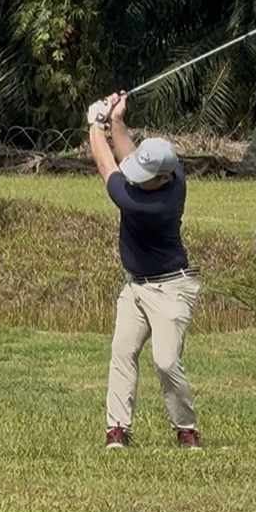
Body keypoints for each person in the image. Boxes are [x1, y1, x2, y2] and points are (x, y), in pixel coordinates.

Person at [86, 91, 202, 450]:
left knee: (166, 362)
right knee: (122, 352)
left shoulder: (144, 204)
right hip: (135, 287)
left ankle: (186, 427)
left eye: (143, 176)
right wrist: (117, 121)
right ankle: (117, 428)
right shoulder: (170, 173)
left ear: (164, 180)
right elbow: (131, 157)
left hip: (171, 290)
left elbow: (109, 166)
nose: (134, 176)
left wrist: (95, 124)